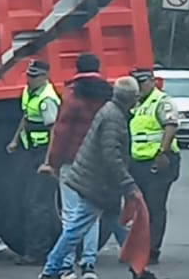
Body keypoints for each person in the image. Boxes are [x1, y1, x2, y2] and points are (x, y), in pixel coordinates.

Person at [38, 76, 143, 279]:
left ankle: (137, 267)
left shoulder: (111, 111)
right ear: (133, 98)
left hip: (96, 179)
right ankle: (51, 269)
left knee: (117, 224)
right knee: (77, 227)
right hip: (97, 183)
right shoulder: (114, 117)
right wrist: (128, 184)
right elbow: (111, 154)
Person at [38, 53, 114, 277]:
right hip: (99, 162)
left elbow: (61, 131)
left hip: (73, 161)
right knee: (91, 214)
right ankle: (89, 264)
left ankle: (67, 265)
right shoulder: (107, 94)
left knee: (71, 214)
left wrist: (52, 162)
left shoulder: (73, 94)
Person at [7, 60, 62, 264]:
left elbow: (54, 131)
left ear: (45, 77)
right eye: (29, 76)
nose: (30, 79)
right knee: (29, 200)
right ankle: (36, 250)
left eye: (34, 76)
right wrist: (14, 140)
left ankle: (38, 252)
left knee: (39, 204)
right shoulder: (29, 93)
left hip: (43, 154)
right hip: (30, 152)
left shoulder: (47, 99)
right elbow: (26, 117)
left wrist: (48, 162)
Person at [128, 67, 180, 265]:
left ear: (152, 81)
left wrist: (162, 152)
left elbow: (171, 126)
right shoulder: (137, 104)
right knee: (141, 208)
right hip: (139, 161)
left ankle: (152, 250)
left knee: (155, 207)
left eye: (142, 83)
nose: (139, 88)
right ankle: (140, 247)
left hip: (159, 161)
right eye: (136, 84)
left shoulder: (162, 101)